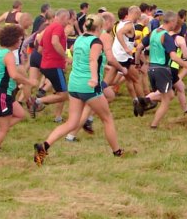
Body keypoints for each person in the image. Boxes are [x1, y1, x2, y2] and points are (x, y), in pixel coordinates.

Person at [33, 14, 124, 166]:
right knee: (107, 119)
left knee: (72, 122)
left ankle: (44, 146)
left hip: (74, 84)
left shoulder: (80, 38)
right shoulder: (96, 42)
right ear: (100, 28)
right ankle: (117, 152)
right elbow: (93, 60)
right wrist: (95, 78)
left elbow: (76, 53)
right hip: (88, 85)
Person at [135, 11, 187, 127]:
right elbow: (174, 56)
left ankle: (143, 101)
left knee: (170, 95)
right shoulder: (166, 36)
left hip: (152, 68)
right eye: (175, 22)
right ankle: (153, 125)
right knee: (166, 101)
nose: (175, 24)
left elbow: (140, 47)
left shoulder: (153, 32)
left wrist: (138, 63)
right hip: (163, 70)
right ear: (171, 22)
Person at [0, 25, 36, 158]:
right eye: (19, 39)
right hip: (1, 94)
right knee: (3, 129)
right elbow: (14, 75)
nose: (21, 42)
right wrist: (29, 82)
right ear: (13, 40)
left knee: (20, 114)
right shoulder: (8, 55)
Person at [29, 9, 71, 116]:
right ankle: (37, 102)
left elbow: (39, 49)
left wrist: (48, 56)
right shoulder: (58, 27)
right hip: (54, 66)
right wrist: (65, 57)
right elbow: (54, 42)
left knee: (59, 92)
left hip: (45, 65)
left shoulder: (48, 28)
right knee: (63, 95)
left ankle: (41, 104)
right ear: (64, 18)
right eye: (68, 20)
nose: (68, 23)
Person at [110, 6, 143, 108]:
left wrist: (132, 44)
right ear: (136, 13)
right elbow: (120, 34)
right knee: (136, 79)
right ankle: (143, 103)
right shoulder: (129, 25)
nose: (140, 17)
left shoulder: (121, 23)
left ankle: (135, 100)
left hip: (116, 55)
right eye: (139, 14)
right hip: (123, 57)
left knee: (123, 80)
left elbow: (123, 37)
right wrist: (126, 48)